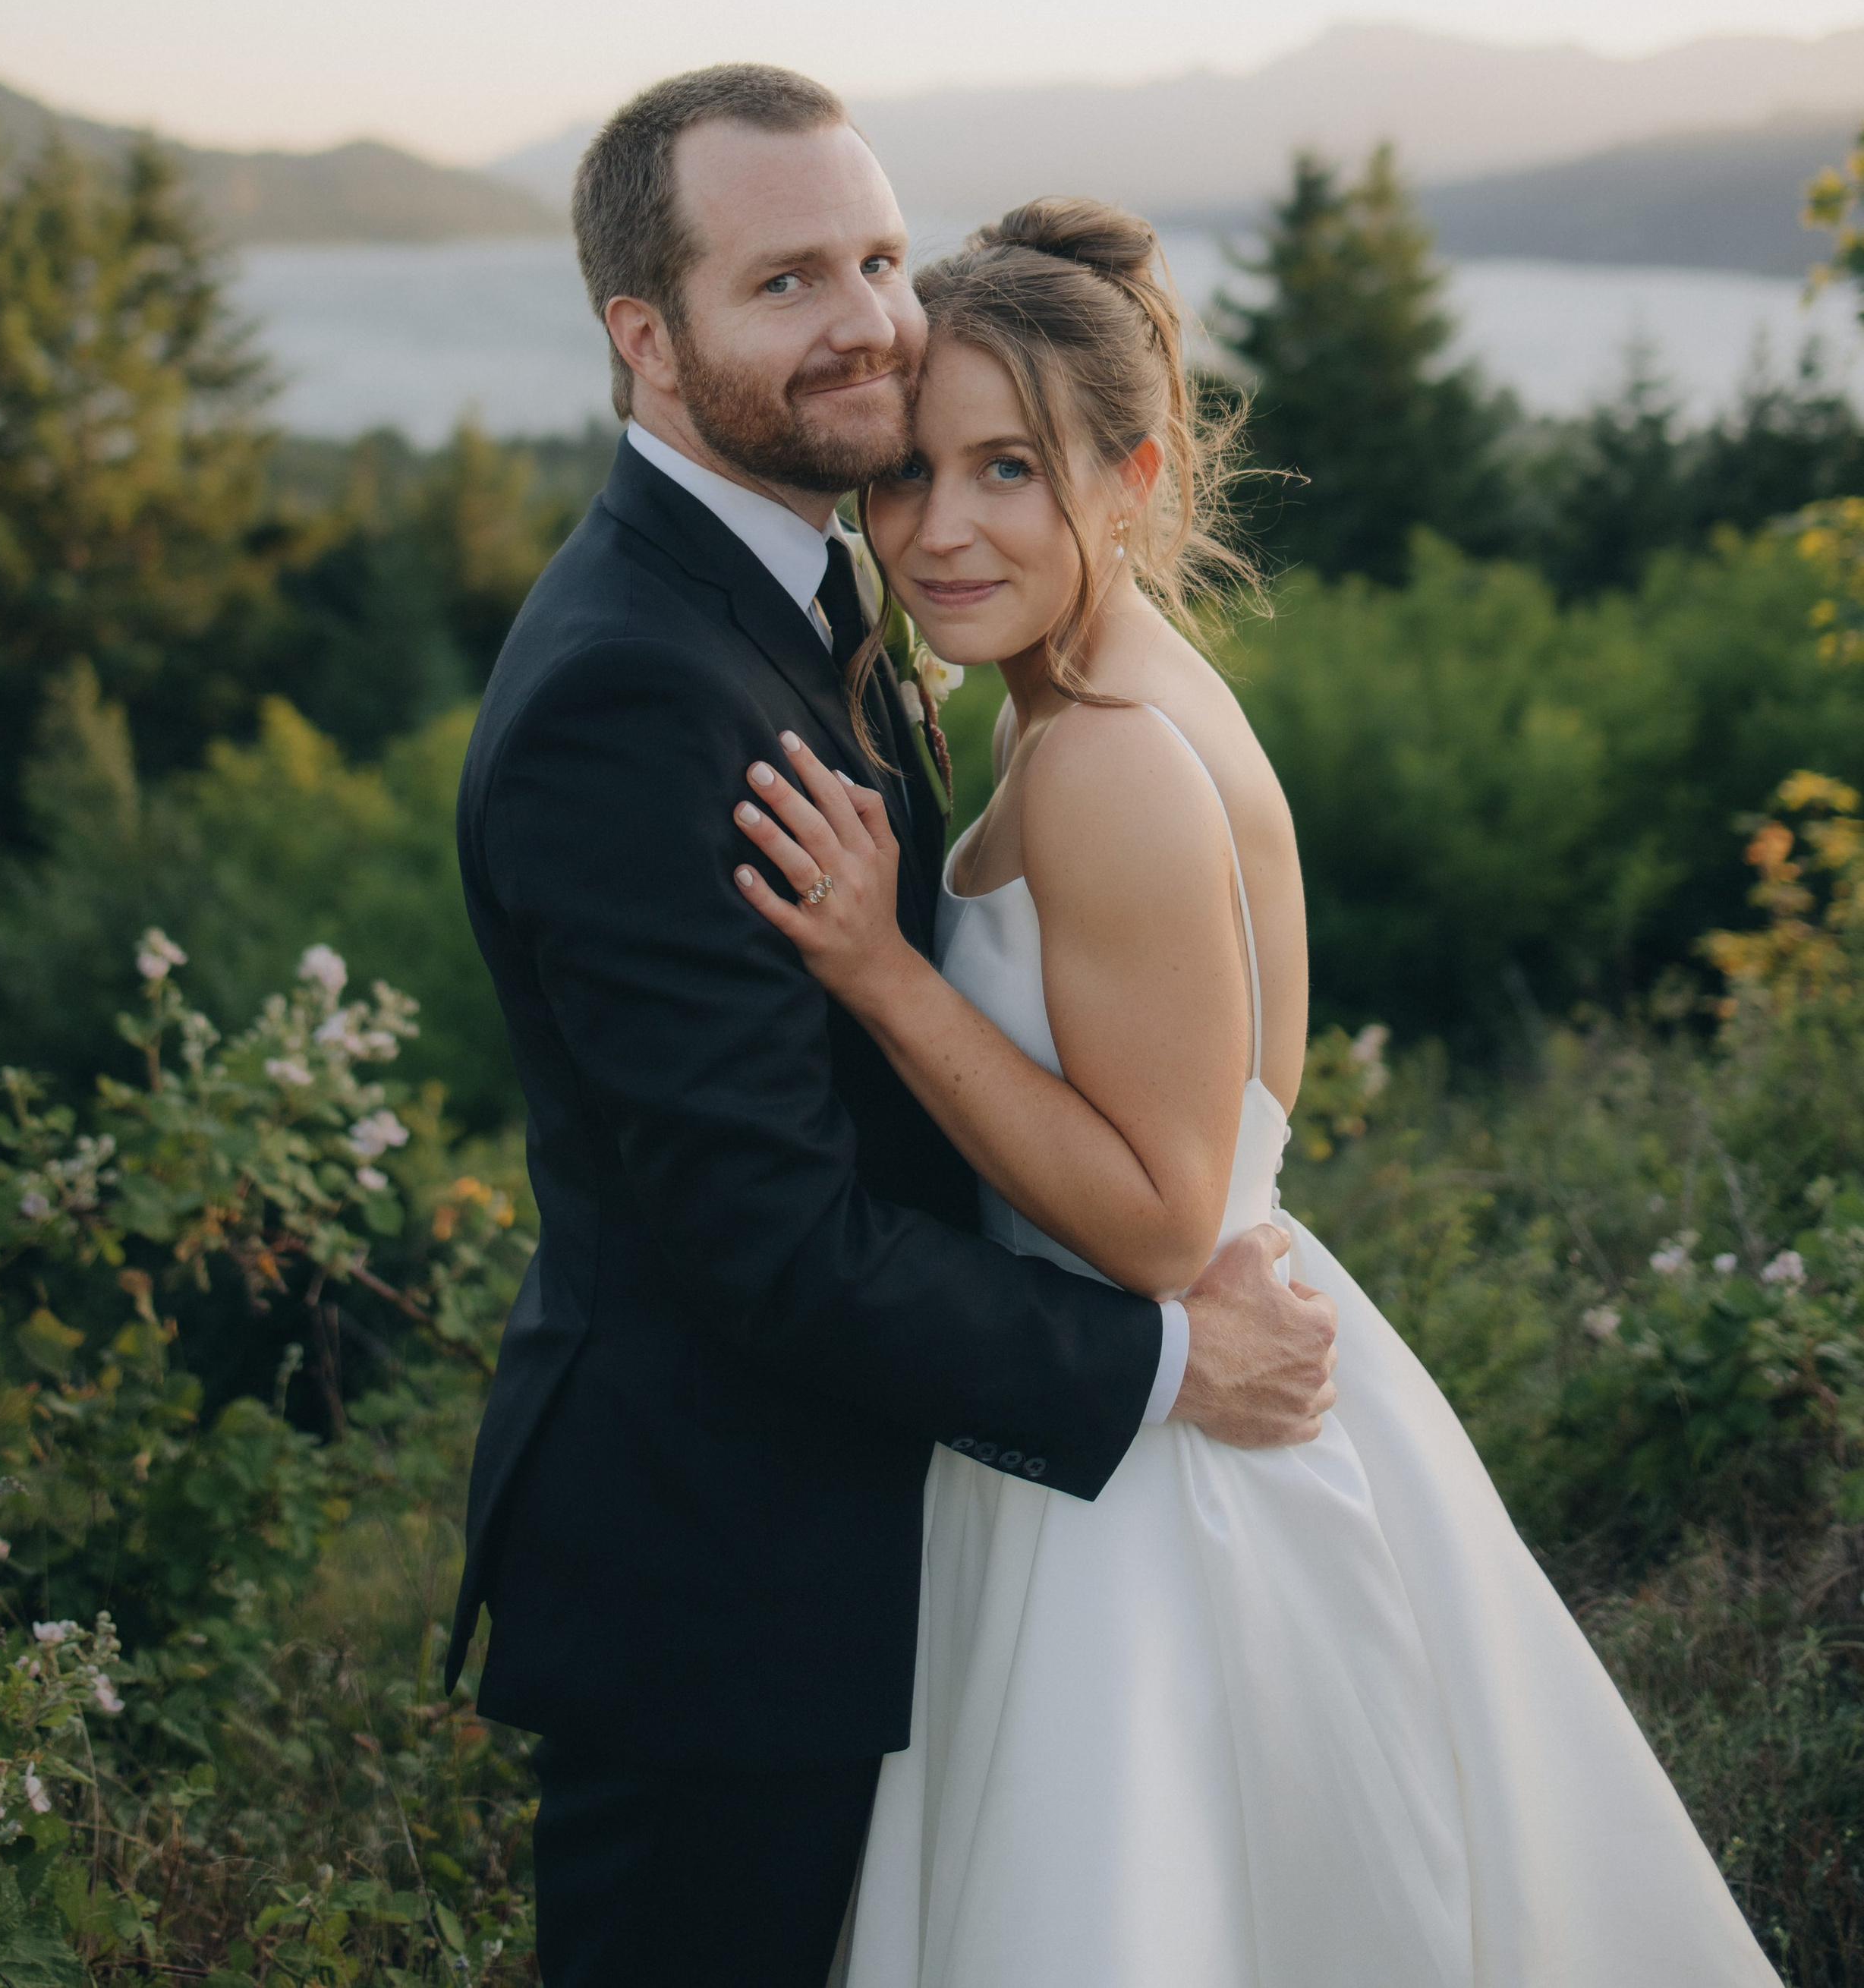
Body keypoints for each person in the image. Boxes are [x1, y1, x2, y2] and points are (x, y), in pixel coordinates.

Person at [728, 196, 1783, 1988]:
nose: (937, 528)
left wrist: (884, 974)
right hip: (1163, 1410)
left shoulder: (1106, 757)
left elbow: (1154, 1216)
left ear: (1131, 473)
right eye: (906, 473)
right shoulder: (1075, 692)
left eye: (1007, 468)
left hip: (1150, 1471)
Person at [444, 68, 1338, 1988]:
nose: (861, 313)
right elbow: (771, 1239)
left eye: (871, 253)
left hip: (911, 1529)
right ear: (646, 337)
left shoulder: (828, 583)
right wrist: (1166, 1362)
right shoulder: (635, 684)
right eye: (783, 280)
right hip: (720, 1586)